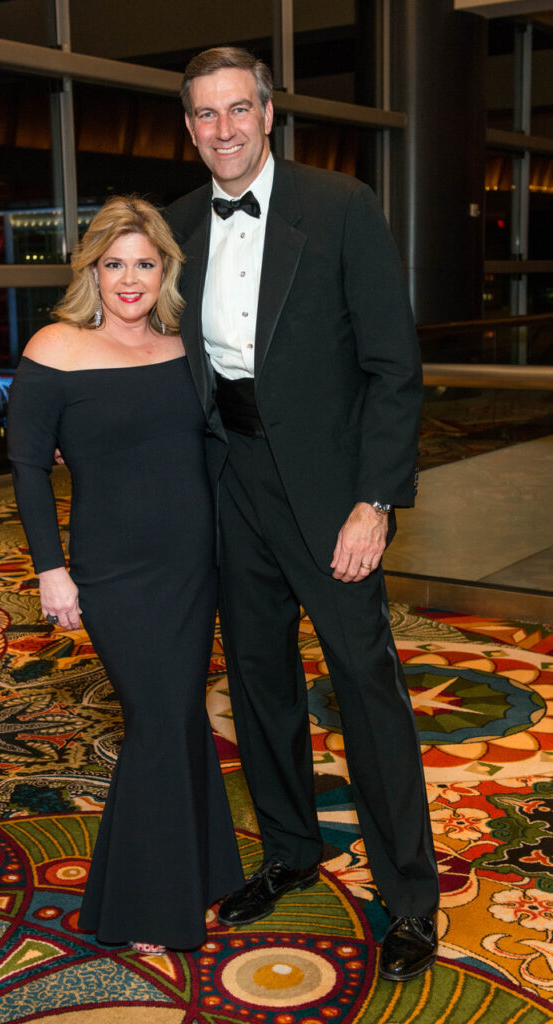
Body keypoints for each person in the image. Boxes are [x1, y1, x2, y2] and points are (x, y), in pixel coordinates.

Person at [165, 47, 440, 982]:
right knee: (256, 679)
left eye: (238, 109)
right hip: (226, 479)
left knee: (364, 688)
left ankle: (409, 898)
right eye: (206, 115)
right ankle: (289, 849)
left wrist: (374, 501)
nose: (224, 129)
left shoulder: (340, 206)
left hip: (328, 493)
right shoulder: (174, 228)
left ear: (269, 113)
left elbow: (392, 369)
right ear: (189, 126)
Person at [6, 195, 244, 953]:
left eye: (145, 262)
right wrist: (51, 570)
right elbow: (27, 470)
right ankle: (148, 905)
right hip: (111, 571)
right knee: (155, 721)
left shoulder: (183, 348)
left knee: (175, 719)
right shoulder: (54, 347)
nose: (130, 278)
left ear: (165, 269)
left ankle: (195, 874)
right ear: (93, 270)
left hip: (191, 563)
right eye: (115, 263)